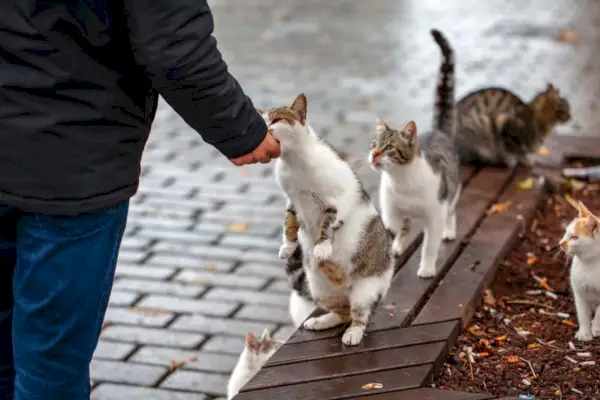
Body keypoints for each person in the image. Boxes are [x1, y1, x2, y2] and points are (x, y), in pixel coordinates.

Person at [0, 1, 280, 399]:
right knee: (51, 366)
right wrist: (241, 130)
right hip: (70, 168)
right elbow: (172, 44)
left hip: (58, 158)